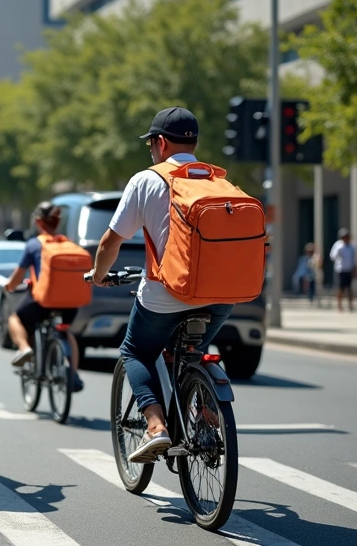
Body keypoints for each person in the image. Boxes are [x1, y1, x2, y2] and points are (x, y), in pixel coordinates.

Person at [88, 108, 234, 463]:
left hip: (166, 294)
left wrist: (97, 274)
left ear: (160, 142)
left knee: (135, 351)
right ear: (194, 142)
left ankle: (155, 426)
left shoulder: (147, 180)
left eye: (151, 144)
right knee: (196, 348)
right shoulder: (220, 181)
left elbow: (111, 241)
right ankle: (206, 412)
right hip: (223, 296)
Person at [3, 201, 84, 392]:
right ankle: (73, 373)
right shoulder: (69, 244)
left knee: (15, 318)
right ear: (58, 222)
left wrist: (8, 286)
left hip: (43, 301)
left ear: (39, 222)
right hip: (70, 304)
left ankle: (25, 348)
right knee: (64, 331)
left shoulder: (34, 244)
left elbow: (17, 277)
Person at [329, 228, 357, 312]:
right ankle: (339, 305)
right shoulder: (338, 245)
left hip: (349, 269)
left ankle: (350, 305)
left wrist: (355, 268)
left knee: (350, 288)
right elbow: (332, 257)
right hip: (340, 269)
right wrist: (338, 251)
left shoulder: (352, 246)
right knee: (340, 288)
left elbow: (354, 258)